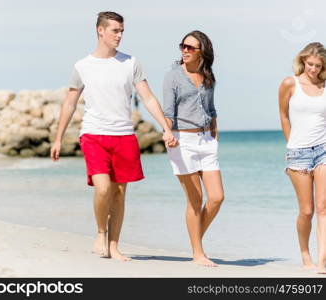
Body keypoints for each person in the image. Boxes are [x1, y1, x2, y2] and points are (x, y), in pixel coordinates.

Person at [50, 11, 177, 261]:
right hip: (94, 135)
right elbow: (69, 104)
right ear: (100, 30)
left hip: (124, 136)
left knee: (119, 194)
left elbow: (148, 98)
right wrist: (58, 138)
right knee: (103, 188)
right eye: (115, 30)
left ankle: (114, 246)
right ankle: (100, 233)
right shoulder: (82, 66)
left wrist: (165, 127)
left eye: (121, 31)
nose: (119, 35)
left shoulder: (130, 63)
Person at [163, 30, 224, 267]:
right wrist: (167, 132)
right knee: (195, 199)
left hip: (206, 141)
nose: (185, 51)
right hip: (182, 142)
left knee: (217, 198)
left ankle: (194, 238)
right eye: (183, 46)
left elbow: (211, 106)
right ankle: (198, 252)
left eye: (190, 47)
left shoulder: (209, 76)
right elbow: (169, 112)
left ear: (202, 52)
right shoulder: (173, 77)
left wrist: (214, 128)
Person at [279, 42, 326, 274]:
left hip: (323, 149)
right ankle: (305, 254)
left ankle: (322, 260)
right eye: (310, 64)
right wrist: (290, 144)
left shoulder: (325, 86)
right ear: (303, 61)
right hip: (298, 152)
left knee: (323, 206)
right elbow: (283, 115)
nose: (313, 70)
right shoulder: (290, 83)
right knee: (306, 210)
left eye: (318, 66)